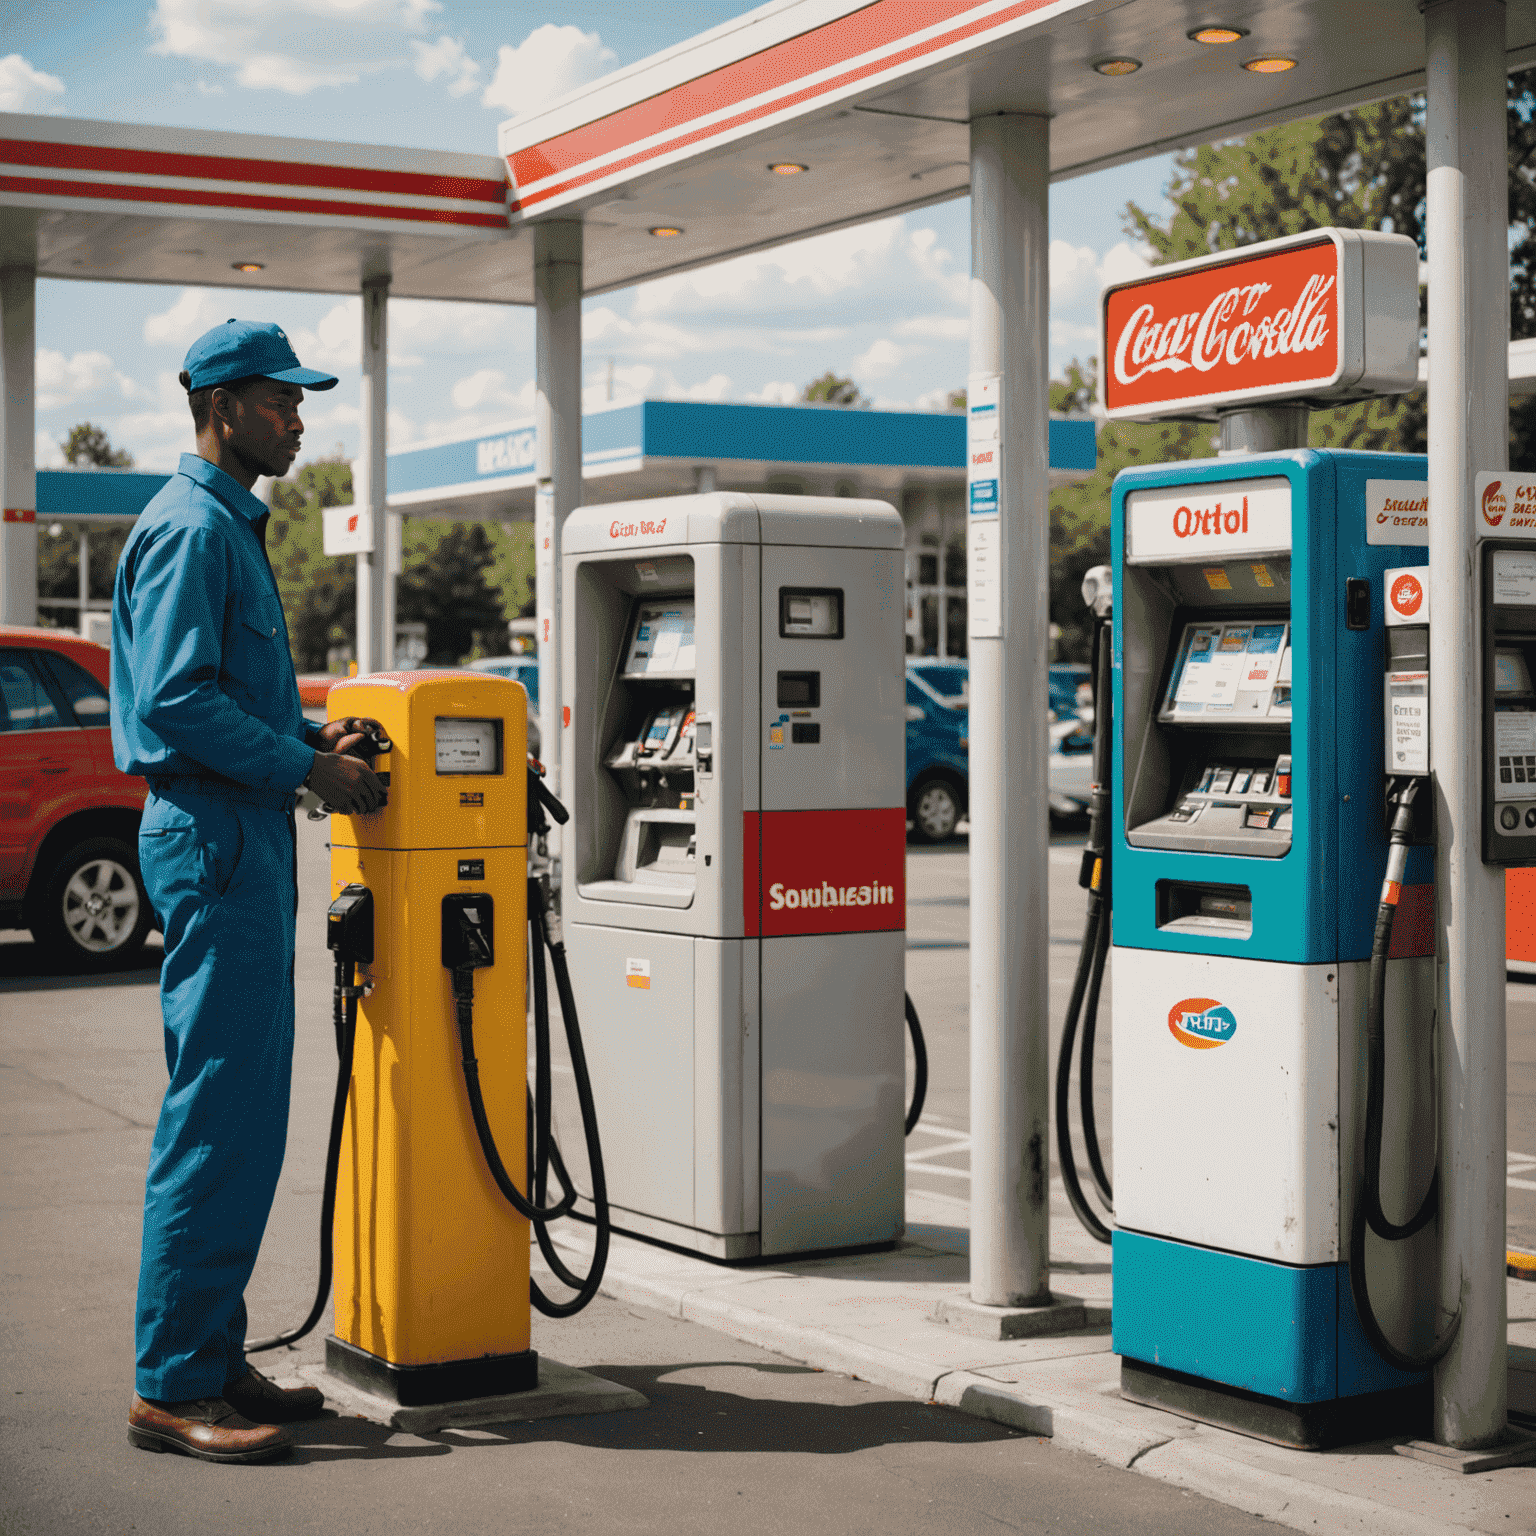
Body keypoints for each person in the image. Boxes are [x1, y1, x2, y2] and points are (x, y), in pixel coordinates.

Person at [112, 320, 388, 1464]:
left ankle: (212, 1356)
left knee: (243, 1117)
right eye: (282, 401)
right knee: (217, 1118)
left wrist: (307, 731)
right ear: (223, 407)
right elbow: (177, 702)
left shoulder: (224, 523)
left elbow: (222, 689)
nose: (299, 417)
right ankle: (173, 1385)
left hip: (238, 832)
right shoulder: (190, 529)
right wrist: (310, 770)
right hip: (217, 833)